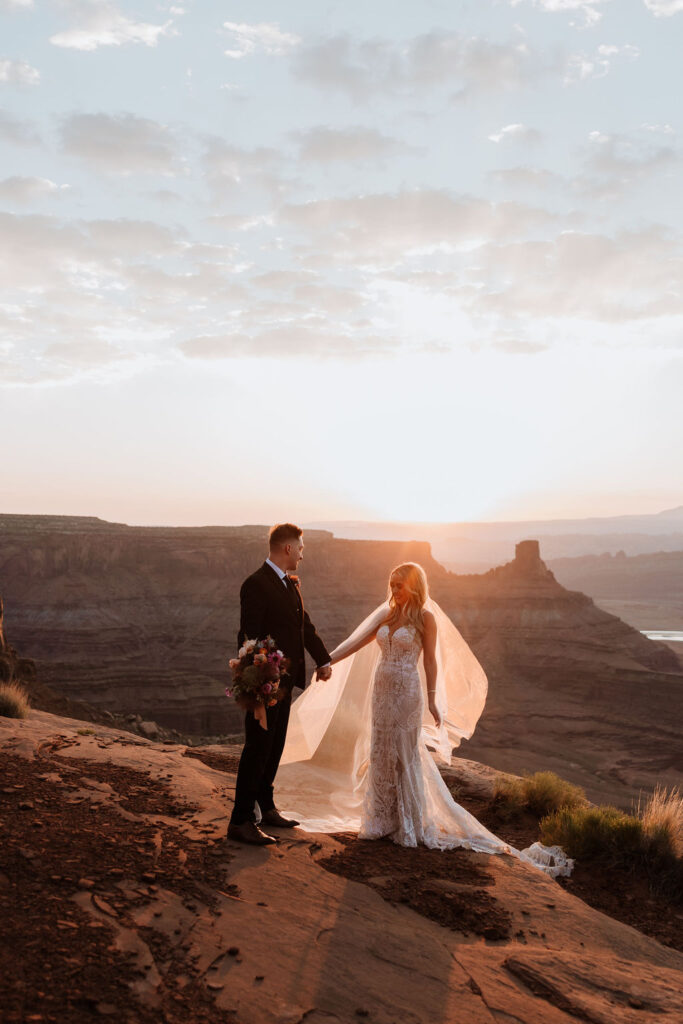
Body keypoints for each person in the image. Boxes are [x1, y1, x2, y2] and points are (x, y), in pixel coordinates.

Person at [277, 562, 572, 876]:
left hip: (407, 693)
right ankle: (380, 820)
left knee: (404, 753)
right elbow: (357, 641)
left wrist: (432, 698)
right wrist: (325, 660)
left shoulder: (426, 618)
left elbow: (431, 659)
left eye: (399, 586)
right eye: (391, 586)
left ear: (414, 587)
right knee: (381, 750)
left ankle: (408, 822)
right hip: (382, 691)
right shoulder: (386, 614)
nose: (393, 592)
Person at [227, 523, 332, 846]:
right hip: (266, 684)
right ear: (287, 548)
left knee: (273, 748)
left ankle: (267, 806)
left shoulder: (288, 584)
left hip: (286, 682)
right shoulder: (256, 584)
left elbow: (304, 627)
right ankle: (241, 820)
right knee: (257, 749)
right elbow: (249, 637)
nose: (302, 553)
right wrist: (259, 687)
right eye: (300, 547)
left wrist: (323, 659)